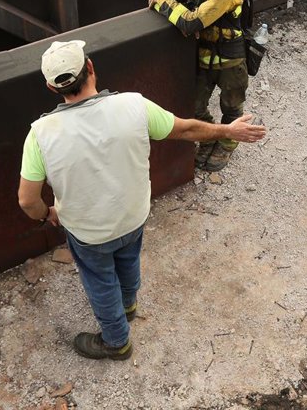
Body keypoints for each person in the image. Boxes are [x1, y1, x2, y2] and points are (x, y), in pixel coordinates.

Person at [17, 39, 265, 361]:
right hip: (133, 214)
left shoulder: (40, 134)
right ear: (90, 67)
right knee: (128, 258)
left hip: (89, 232)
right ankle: (128, 304)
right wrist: (227, 131)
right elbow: (186, 130)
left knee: (100, 281)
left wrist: (47, 214)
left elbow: (27, 200)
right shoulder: (134, 105)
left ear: (51, 87)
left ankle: (116, 342)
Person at [146, 0, 249, 172]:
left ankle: (227, 143)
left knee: (232, 105)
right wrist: (173, 8)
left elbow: (189, 22)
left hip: (229, 57)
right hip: (201, 54)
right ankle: (209, 137)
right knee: (194, 105)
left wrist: (171, 7)